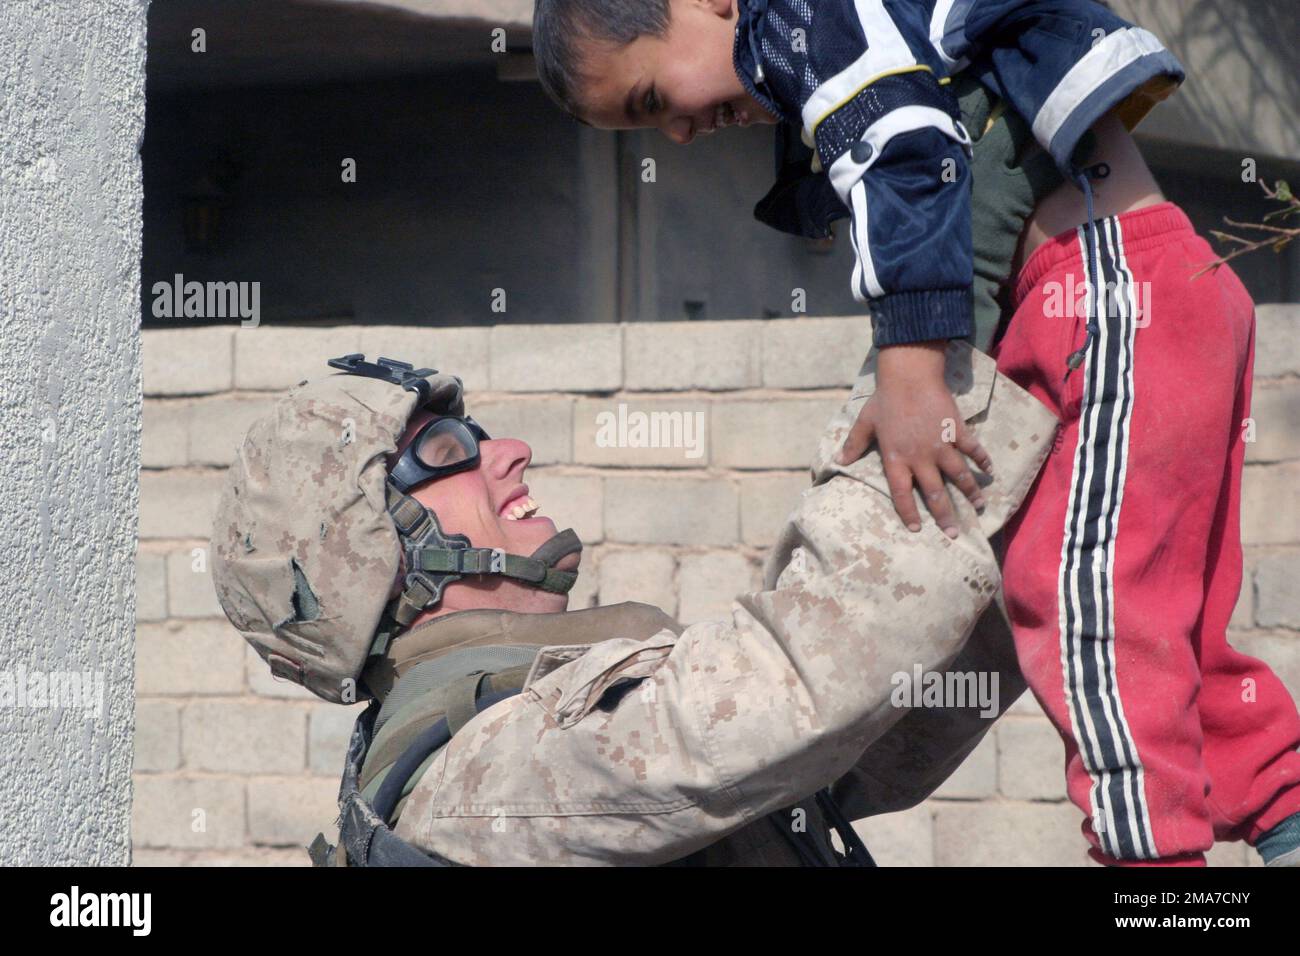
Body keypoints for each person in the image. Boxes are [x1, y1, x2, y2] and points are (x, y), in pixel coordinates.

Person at [528, 0, 1300, 865]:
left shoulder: (811, 21)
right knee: (1161, 621)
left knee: (1088, 610)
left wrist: (911, 365)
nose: (675, 133)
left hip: (1109, 301)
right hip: (1148, 293)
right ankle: (1285, 820)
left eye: (650, 101)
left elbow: (911, 150)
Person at [211, 348, 1059, 865]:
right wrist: (931, 361)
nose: (507, 451)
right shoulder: (470, 782)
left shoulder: (516, 723)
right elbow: (805, 689)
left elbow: (858, 753)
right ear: (367, 558)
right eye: (444, 450)